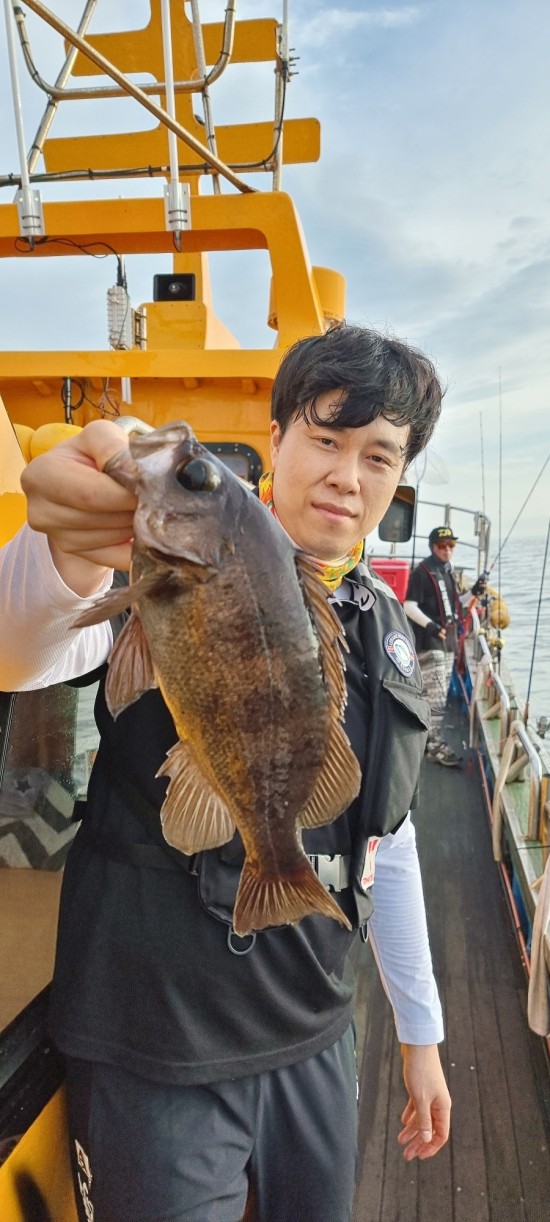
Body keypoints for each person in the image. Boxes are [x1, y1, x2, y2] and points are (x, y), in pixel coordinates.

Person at [0, 324, 451, 1222]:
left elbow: (388, 845)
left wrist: (421, 1034)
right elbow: (22, 649)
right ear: (276, 436)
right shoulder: (174, 559)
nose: (347, 476)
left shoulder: (388, 629)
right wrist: (68, 551)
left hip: (316, 1030)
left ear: (400, 474)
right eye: (326, 438)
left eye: (379, 456)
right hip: (153, 1037)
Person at [404, 525, 487, 767]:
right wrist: (430, 626)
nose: (447, 550)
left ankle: (426, 741)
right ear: (433, 547)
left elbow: (456, 604)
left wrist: (474, 592)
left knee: (433, 696)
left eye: (451, 545)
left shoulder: (447, 571)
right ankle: (434, 746)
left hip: (448, 644)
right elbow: (409, 605)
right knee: (436, 698)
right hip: (430, 643)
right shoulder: (422, 572)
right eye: (442, 546)